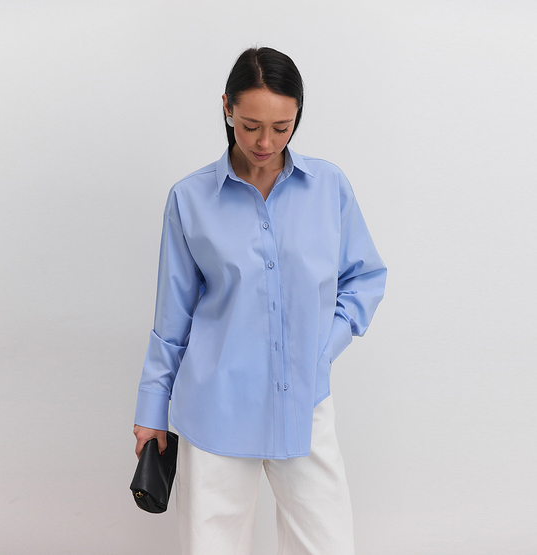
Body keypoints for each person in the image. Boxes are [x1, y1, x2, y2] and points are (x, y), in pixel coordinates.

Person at [133, 46, 387, 555]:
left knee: (327, 544)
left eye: (281, 127)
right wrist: (151, 409)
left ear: (297, 116)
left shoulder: (329, 187)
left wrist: (322, 349)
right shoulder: (189, 199)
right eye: (250, 126)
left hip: (304, 401)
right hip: (215, 406)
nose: (265, 142)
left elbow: (364, 278)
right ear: (227, 108)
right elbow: (172, 317)